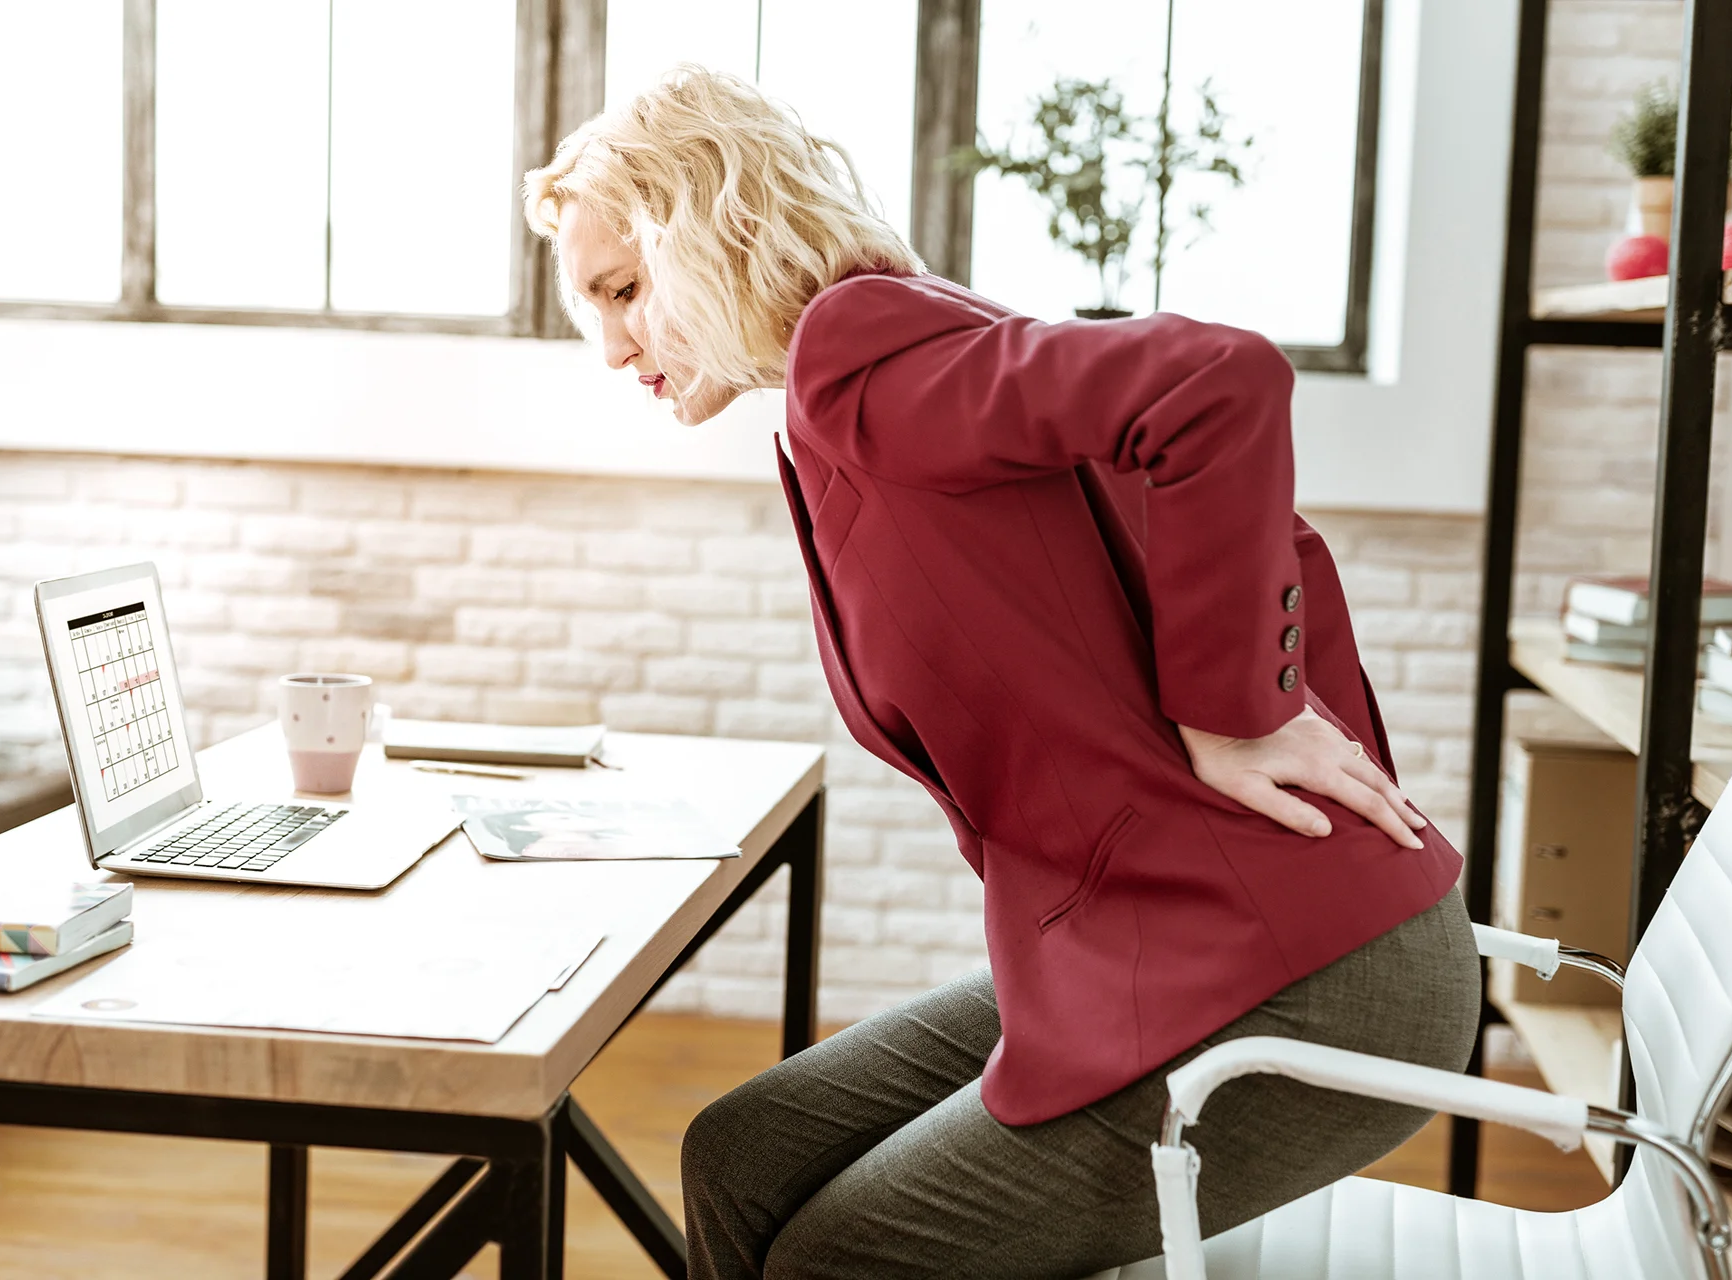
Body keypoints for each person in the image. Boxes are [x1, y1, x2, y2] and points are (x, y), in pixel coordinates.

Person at [523, 66, 1478, 1280]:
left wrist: (1239, 712)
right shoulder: (863, 371)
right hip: (1170, 939)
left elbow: (1216, 383)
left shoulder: (865, 360)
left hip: (1309, 984)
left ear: (714, 230)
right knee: (741, 1153)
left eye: (624, 289)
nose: (610, 346)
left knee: (841, 1255)